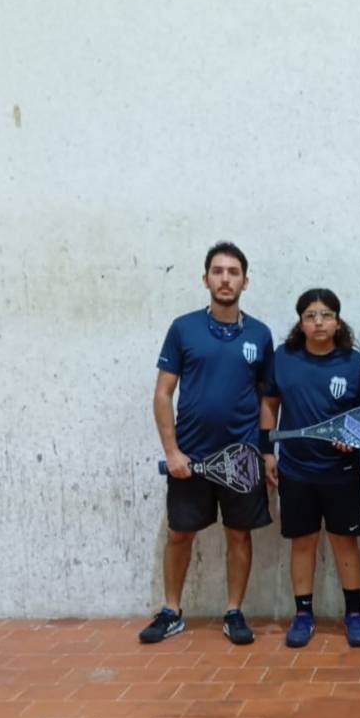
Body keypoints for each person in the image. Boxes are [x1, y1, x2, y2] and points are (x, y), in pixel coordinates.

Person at [139, 241, 273, 645]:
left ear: (245, 282)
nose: (225, 278)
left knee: (238, 534)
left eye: (233, 272)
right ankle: (172, 611)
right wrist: (172, 452)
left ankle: (234, 611)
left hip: (243, 459)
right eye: (218, 271)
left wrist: (264, 451)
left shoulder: (260, 335)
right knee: (180, 534)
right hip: (190, 458)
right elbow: (163, 394)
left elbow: (268, 400)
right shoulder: (184, 328)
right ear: (206, 279)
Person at [259, 289, 360, 648]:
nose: (319, 321)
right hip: (295, 470)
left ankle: (354, 614)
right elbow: (269, 405)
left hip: (341, 471)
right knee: (303, 542)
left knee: (344, 542)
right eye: (310, 315)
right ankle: (304, 614)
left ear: (338, 321)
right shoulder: (283, 358)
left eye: (326, 315)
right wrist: (268, 453)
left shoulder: (354, 363)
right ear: (301, 323)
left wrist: (353, 439)